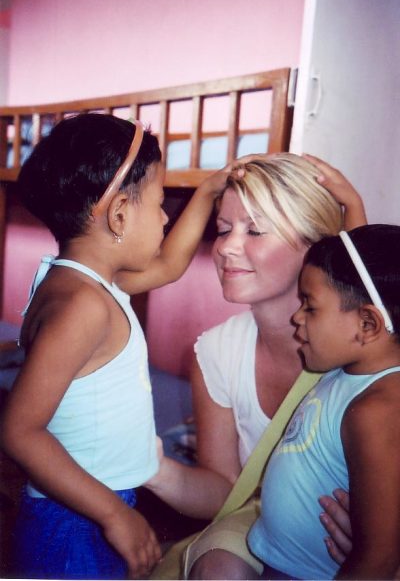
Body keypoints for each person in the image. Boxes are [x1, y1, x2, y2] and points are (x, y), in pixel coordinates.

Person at [0, 112, 230, 580]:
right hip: (75, 521)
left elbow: (168, 265)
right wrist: (112, 513)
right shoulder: (82, 306)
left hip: (91, 504)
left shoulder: (87, 282)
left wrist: (207, 193)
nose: (166, 216)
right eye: (161, 203)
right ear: (120, 214)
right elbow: (19, 431)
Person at [145, 152, 367, 579]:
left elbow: (360, 278)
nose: (227, 246)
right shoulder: (216, 351)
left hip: (352, 523)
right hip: (263, 517)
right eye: (224, 229)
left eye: (256, 230)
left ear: (316, 247)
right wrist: (153, 468)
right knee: (217, 568)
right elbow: (225, 491)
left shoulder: (357, 344)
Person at [247, 224, 400, 580]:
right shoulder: (346, 370)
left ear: (367, 324)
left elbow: (379, 558)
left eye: (309, 307)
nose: (296, 317)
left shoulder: (377, 410)